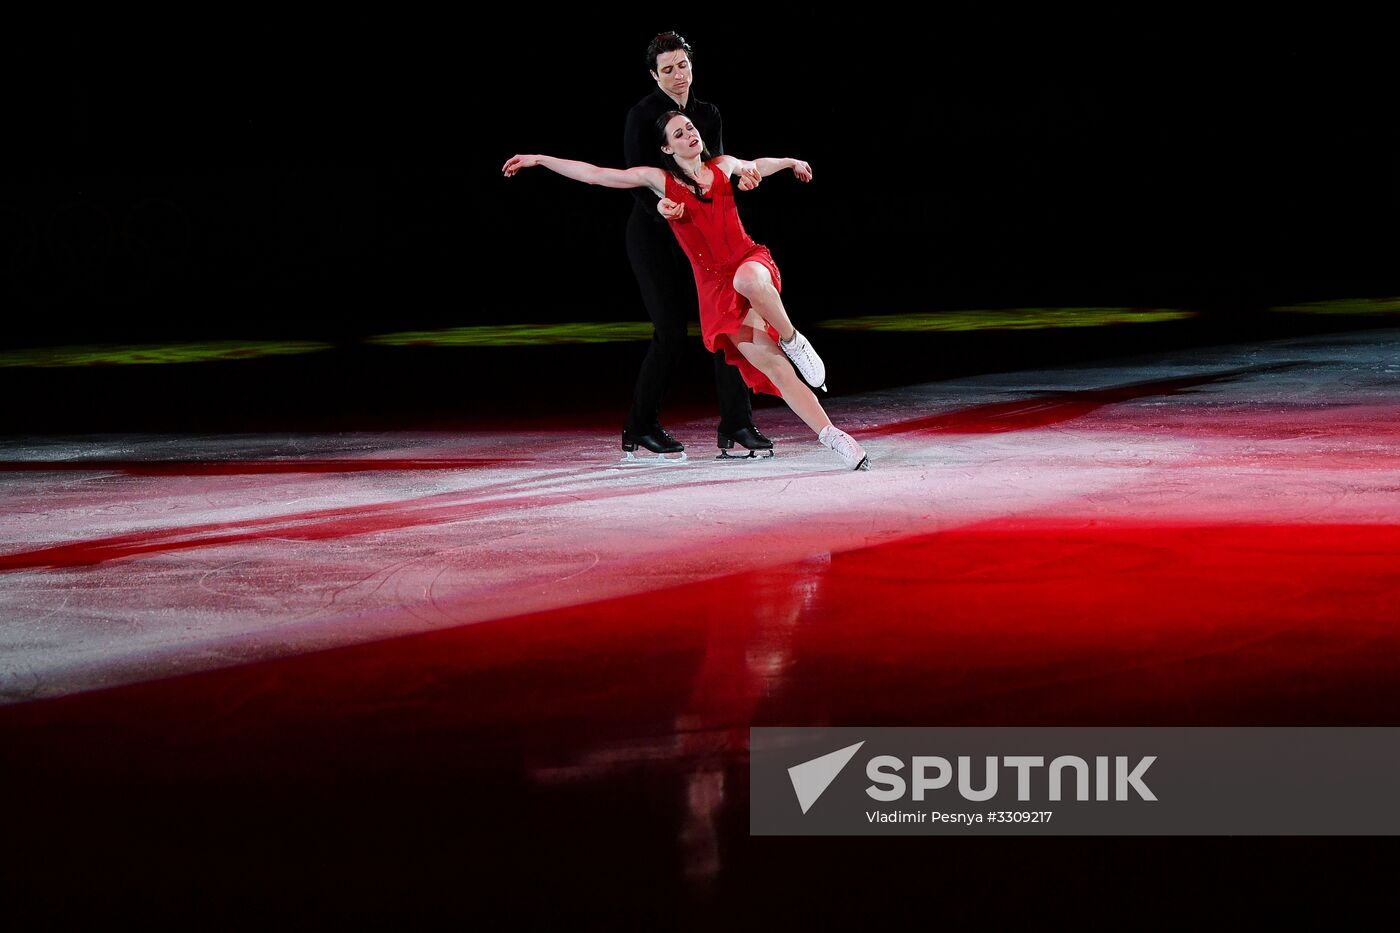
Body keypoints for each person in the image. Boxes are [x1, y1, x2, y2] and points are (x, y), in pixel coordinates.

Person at [502, 113, 870, 471]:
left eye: (690, 128)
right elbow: (598, 176)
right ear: (666, 147)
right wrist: (540, 159)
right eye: (679, 134)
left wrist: (788, 162)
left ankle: (793, 339)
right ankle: (832, 435)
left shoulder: (723, 165)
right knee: (776, 369)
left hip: (748, 259)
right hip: (714, 290)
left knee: (750, 282)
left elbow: (756, 163)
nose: (690, 134)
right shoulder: (660, 181)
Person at [621, 31, 773, 464]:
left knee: (729, 324)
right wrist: (661, 205)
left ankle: (737, 423)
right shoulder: (642, 115)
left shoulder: (707, 114)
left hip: (703, 239)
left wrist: (744, 177)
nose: (677, 75)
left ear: (692, 64)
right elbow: (635, 179)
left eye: (682, 65)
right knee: (670, 332)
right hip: (654, 236)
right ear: (654, 74)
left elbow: (718, 173)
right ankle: (640, 426)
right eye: (667, 69)